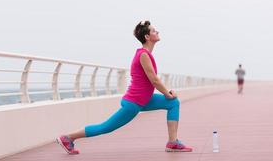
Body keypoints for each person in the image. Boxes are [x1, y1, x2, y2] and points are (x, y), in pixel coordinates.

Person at [56, 20, 193, 154]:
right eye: (153, 30)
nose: (157, 31)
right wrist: (167, 93)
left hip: (144, 99)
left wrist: (168, 95)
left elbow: (152, 80)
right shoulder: (143, 55)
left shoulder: (145, 54)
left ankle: (173, 142)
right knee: (105, 127)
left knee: (173, 103)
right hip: (134, 103)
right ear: (147, 37)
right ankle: (68, 138)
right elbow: (154, 80)